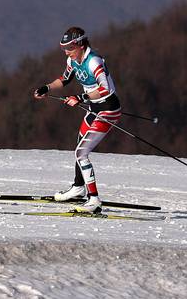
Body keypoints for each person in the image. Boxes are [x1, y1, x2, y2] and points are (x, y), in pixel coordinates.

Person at [32, 26, 121, 213]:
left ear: (80, 44)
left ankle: (94, 199)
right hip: (93, 108)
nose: (67, 51)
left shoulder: (94, 62)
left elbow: (106, 90)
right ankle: (78, 188)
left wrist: (81, 98)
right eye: (64, 48)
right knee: (79, 143)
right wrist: (46, 88)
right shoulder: (72, 61)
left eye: (70, 47)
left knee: (81, 152)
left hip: (108, 109)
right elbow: (64, 80)